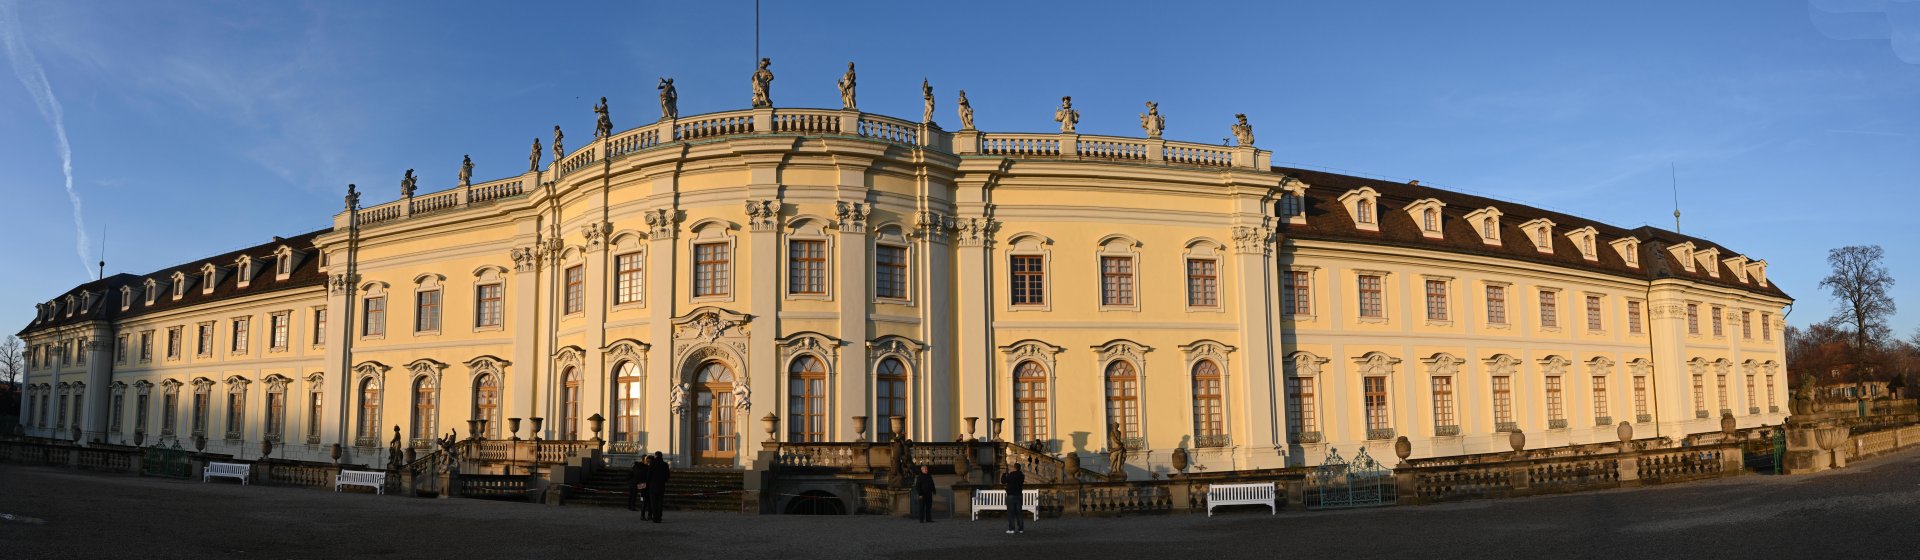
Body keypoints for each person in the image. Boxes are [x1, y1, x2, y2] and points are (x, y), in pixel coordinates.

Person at [1000, 463, 1025, 534]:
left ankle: (1012, 529)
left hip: (1011, 495)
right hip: (1019, 495)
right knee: (1019, 513)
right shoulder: (1022, 475)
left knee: (1011, 513)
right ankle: (1021, 529)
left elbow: (1003, 481)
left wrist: (1004, 473)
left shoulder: (1011, 475)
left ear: (1014, 468)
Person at [646, 451, 671, 523]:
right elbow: (667, 476)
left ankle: (655, 517)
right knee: (660, 502)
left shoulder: (652, 464)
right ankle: (659, 516)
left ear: (656, 456)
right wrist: (663, 481)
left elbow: (649, 475)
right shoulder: (665, 464)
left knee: (653, 502)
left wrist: (648, 484)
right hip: (661, 486)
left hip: (653, 486)